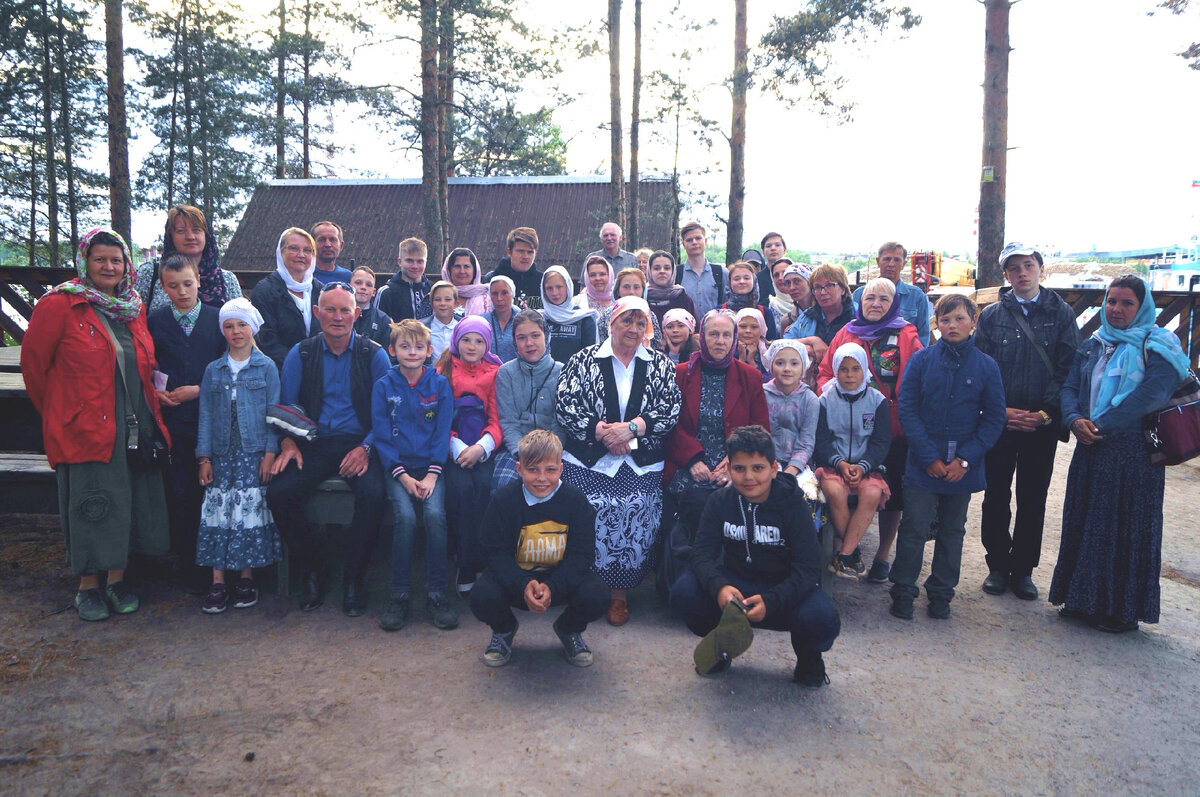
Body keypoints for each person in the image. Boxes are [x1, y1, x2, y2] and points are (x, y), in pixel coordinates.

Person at [22, 228, 170, 621]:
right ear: (84, 261)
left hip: (133, 423)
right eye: (100, 259)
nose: (109, 267)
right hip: (85, 428)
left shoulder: (132, 307)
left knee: (127, 499)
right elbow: (34, 369)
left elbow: (143, 364)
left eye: (116, 260)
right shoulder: (60, 305)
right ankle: (87, 586)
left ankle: (117, 581)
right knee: (92, 502)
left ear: (126, 265)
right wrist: (62, 415)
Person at [1050, 275, 1189, 633]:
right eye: (1111, 301)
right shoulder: (1095, 344)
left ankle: (1120, 611)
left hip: (1133, 453)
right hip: (1091, 446)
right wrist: (1074, 419)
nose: (1116, 309)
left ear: (1142, 308)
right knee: (1088, 521)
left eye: (1127, 303)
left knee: (1125, 527)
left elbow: (1152, 396)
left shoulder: (1159, 345)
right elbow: (1069, 387)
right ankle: (1081, 599)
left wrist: (1100, 424)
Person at [668, 425, 840, 686]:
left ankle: (809, 657)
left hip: (783, 589)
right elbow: (702, 555)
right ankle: (721, 646)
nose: (749, 477)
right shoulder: (718, 501)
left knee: (820, 617)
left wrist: (772, 601)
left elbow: (808, 568)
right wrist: (720, 588)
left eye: (758, 468)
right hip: (735, 588)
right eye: (739, 468)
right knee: (684, 593)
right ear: (729, 468)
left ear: (774, 468)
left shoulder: (794, 504)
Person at [556, 296, 682, 626]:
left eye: (641, 323)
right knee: (587, 507)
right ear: (611, 323)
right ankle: (582, 585)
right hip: (589, 456)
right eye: (627, 320)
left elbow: (670, 409)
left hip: (641, 458)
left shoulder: (659, 364)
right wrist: (601, 432)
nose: (634, 329)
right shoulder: (583, 359)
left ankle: (618, 593)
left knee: (634, 507)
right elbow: (566, 405)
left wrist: (632, 429)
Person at [267, 282, 391, 615]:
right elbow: (286, 406)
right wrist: (287, 442)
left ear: (357, 313)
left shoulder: (374, 354)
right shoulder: (302, 353)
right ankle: (313, 569)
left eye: (345, 310)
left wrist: (366, 448)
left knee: (374, 495)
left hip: (360, 442)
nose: (338, 317)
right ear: (317, 313)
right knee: (279, 493)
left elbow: (387, 411)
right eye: (330, 310)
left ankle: (354, 578)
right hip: (314, 442)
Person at [975, 243, 1080, 601]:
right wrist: (999, 410)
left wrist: (1046, 414)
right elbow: (982, 368)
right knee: (995, 495)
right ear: (1005, 274)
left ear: (1040, 268)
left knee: (1033, 498)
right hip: (1001, 421)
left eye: (1028, 265)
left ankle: (1023, 570)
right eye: (1014, 267)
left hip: (1041, 423)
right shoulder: (991, 316)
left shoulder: (1061, 313)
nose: (1022, 273)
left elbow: (1069, 368)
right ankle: (996, 565)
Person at [889, 295, 1005, 621]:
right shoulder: (921, 361)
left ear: (973, 321)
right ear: (936, 324)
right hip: (922, 462)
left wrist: (966, 459)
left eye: (959, 319)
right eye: (945, 320)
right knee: (914, 527)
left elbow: (993, 418)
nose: (952, 325)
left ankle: (941, 593)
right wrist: (927, 456)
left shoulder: (986, 366)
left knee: (953, 530)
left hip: (961, 468)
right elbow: (908, 408)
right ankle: (903, 590)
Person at [470, 430, 610, 668]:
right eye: (533, 469)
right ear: (519, 469)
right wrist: (523, 584)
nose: (542, 478)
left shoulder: (575, 500)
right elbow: (493, 553)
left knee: (597, 595)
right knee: (482, 596)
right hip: (517, 580)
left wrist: (553, 586)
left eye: (550, 469)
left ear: (561, 469)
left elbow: (582, 555)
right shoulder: (503, 500)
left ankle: (569, 629)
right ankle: (504, 629)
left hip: (559, 580)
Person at [816, 277, 923, 583]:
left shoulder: (906, 334)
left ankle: (882, 556)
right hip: (844, 423)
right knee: (841, 490)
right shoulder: (847, 332)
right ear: (860, 303)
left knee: (892, 498)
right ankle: (849, 550)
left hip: (892, 427)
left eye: (883, 299)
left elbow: (915, 378)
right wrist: (834, 396)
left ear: (894, 304)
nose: (875, 303)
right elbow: (825, 372)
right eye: (869, 298)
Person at [663, 310, 770, 597]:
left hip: (734, 464)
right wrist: (693, 460)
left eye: (726, 335)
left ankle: (729, 579)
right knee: (697, 500)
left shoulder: (750, 376)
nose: (720, 341)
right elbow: (669, 425)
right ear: (702, 338)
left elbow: (760, 429)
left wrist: (736, 462)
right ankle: (697, 581)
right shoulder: (681, 373)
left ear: (734, 338)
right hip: (688, 463)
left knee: (727, 501)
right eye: (713, 334)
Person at [195, 299, 282, 613]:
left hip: (252, 453)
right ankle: (218, 580)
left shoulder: (266, 367)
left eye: (242, 325)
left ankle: (246, 577)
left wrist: (270, 452)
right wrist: (204, 458)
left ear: (253, 328)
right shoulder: (214, 370)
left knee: (248, 512)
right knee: (220, 512)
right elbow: (206, 415)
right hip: (222, 454)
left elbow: (274, 413)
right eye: (229, 326)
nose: (236, 332)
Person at [372, 319, 458, 633]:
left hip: (431, 468)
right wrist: (403, 477)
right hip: (398, 470)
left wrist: (433, 475)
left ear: (429, 350)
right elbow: (381, 435)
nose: (412, 352)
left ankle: (437, 593)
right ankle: (399, 594)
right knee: (406, 518)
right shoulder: (383, 386)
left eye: (419, 347)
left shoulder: (439, 385)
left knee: (435, 516)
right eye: (405, 346)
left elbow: (442, 431)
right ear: (392, 350)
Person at [146, 253, 226, 592]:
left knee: (213, 488)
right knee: (180, 490)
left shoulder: (217, 319)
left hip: (212, 418)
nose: (182, 292)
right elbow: (149, 363)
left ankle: (218, 560)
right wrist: (156, 392)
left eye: (187, 284)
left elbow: (230, 363)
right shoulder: (155, 321)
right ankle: (188, 562)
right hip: (173, 420)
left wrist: (200, 389)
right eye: (173, 286)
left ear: (199, 282)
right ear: (164, 287)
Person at [437, 316, 504, 594]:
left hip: (483, 448)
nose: (472, 346)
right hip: (452, 448)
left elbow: (497, 418)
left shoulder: (496, 371)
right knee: (461, 489)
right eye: (466, 340)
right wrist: (456, 447)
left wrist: (482, 447)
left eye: (478, 341)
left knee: (486, 486)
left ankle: (484, 560)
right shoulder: (442, 370)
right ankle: (464, 562)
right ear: (457, 341)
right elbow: (436, 418)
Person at [814, 343, 891, 578]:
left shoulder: (877, 401)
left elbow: (880, 442)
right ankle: (852, 552)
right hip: (834, 466)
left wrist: (862, 466)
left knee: (872, 493)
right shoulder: (825, 400)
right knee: (834, 491)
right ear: (835, 370)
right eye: (844, 369)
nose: (850, 375)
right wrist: (840, 463)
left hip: (867, 466)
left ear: (864, 369)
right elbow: (821, 441)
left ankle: (844, 553)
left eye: (856, 369)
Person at [494, 310, 563, 490]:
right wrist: (522, 455)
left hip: (555, 451)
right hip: (517, 451)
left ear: (546, 336)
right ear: (514, 342)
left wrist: (550, 454)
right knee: (504, 486)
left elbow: (561, 422)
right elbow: (508, 422)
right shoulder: (506, 373)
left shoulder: (563, 372)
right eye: (521, 338)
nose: (529, 343)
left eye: (535, 335)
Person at [134, 205, 241, 314]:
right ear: (170, 236)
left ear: (206, 235)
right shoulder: (150, 273)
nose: (190, 236)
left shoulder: (227, 279)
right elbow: (134, 315)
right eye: (181, 231)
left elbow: (242, 319)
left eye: (196, 230)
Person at [251, 227, 322, 368]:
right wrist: (298, 365)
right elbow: (266, 340)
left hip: (319, 368)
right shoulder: (264, 291)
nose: (301, 255)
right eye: (294, 248)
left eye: (307, 250)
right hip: (280, 370)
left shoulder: (321, 291)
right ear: (280, 252)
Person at [852, 242, 933, 346]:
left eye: (897, 260)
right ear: (878, 261)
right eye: (887, 259)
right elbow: (852, 331)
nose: (891, 264)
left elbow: (922, 338)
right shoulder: (860, 294)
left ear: (904, 264)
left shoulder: (917, 297)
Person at [763, 340, 818, 480]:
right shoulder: (762, 394)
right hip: (765, 461)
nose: (787, 369)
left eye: (794, 363)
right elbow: (758, 435)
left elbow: (806, 441)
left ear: (803, 367)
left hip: (799, 465)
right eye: (780, 363)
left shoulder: (810, 400)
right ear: (771, 365)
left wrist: (791, 470)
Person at [784, 263, 855, 368]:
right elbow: (783, 344)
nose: (822, 292)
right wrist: (811, 341)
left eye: (829, 285)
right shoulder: (807, 317)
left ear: (842, 289)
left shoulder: (857, 316)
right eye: (817, 287)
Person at [539, 266, 598, 363]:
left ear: (568, 287)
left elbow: (588, 357)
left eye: (559, 287)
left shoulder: (584, 318)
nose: (554, 293)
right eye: (549, 288)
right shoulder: (539, 319)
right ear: (543, 290)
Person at [675, 221, 727, 319]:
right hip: (685, 327)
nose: (694, 242)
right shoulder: (676, 273)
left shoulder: (721, 273)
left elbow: (727, 305)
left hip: (714, 326)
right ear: (683, 244)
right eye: (689, 240)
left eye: (698, 238)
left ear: (705, 241)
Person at [376, 237, 432, 323]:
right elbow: (377, 325)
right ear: (399, 261)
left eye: (420, 261)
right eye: (409, 261)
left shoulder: (433, 290)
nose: (415, 266)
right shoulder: (386, 292)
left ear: (426, 262)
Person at [487, 226, 543, 306]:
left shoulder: (544, 282)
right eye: (521, 251)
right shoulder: (491, 280)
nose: (525, 256)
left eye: (530, 252)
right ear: (509, 252)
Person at [722, 261, 779, 339]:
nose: (742, 281)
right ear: (729, 282)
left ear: (754, 281)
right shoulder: (719, 312)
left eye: (746, 278)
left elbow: (771, 342)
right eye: (736, 279)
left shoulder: (765, 313)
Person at [646, 250, 697, 329]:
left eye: (667, 268)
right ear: (650, 271)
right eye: (656, 268)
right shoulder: (643, 298)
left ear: (673, 271)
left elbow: (695, 330)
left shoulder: (683, 298)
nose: (662, 271)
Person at [613, 267, 663, 349]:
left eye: (636, 287)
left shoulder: (649, 315)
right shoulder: (608, 315)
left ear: (643, 291)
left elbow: (656, 345)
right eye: (626, 287)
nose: (631, 292)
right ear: (618, 290)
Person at [349, 266, 394, 348]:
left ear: (373, 292)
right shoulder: (339, 315)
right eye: (358, 283)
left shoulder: (384, 321)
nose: (363, 287)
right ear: (349, 287)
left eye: (368, 285)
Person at [581, 221, 639, 285]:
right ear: (601, 239)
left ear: (620, 237)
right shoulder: (592, 258)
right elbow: (584, 285)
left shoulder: (631, 259)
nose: (609, 238)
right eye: (605, 235)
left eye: (612, 235)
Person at [442, 247, 491, 317]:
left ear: (474, 271)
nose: (462, 271)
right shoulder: (438, 296)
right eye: (457, 266)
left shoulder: (487, 298)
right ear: (449, 270)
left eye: (466, 266)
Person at [576, 256, 615, 338]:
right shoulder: (577, 302)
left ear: (610, 275)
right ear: (587, 277)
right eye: (592, 275)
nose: (597, 278)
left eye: (602, 274)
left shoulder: (618, 301)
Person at [483, 275, 519, 362]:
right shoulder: (482, 321)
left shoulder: (524, 321)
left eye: (504, 293)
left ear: (513, 294)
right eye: (495, 294)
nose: (499, 298)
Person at [420, 281, 459, 361]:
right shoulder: (421, 327)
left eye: (448, 299)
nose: (442, 303)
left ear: (456, 303)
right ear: (431, 303)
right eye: (437, 299)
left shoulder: (462, 325)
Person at [310, 221, 353, 286]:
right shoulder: (303, 275)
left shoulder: (349, 278)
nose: (328, 245)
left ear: (341, 246)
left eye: (333, 240)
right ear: (311, 244)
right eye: (322, 239)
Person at [734, 307, 771, 381]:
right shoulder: (729, 349)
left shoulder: (768, 351)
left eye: (754, 327)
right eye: (743, 326)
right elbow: (732, 380)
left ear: (761, 329)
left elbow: (768, 380)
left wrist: (751, 361)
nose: (748, 331)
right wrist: (741, 359)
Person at [776, 263, 814, 334]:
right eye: (788, 283)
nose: (792, 287)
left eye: (797, 281)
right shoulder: (787, 320)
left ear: (809, 282)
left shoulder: (826, 314)